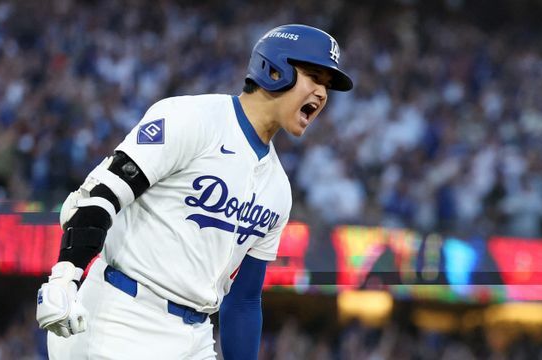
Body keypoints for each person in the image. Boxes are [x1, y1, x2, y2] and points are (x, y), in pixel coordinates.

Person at [36, 23, 353, 359]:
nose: (322, 94)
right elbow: (102, 195)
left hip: (195, 336)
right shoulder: (193, 119)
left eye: (328, 86)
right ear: (275, 69)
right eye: (315, 77)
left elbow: (244, 300)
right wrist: (65, 275)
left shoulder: (278, 190)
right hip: (120, 316)